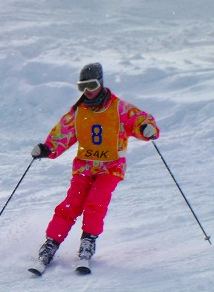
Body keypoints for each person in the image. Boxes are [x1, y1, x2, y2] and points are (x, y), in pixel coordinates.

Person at [29, 63, 160, 275]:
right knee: (71, 204)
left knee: (96, 202)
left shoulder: (119, 108)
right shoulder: (78, 111)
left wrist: (147, 128)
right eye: (83, 87)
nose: (88, 91)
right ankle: (51, 243)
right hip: (84, 166)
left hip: (111, 167)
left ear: (101, 82)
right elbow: (62, 134)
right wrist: (47, 149)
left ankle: (88, 242)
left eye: (92, 85)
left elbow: (139, 120)